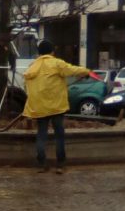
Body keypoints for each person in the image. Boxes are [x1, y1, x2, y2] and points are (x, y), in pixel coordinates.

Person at [22, 40, 92, 173]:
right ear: (52, 51)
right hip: (56, 106)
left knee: (41, 134)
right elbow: (72, 70)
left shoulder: (32, 66)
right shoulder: (57, 63)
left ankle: (42, 163)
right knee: (59, 134)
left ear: (39, 53)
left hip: (39, 107)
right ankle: (60, 164)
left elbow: (27, 87)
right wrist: (86, 71)